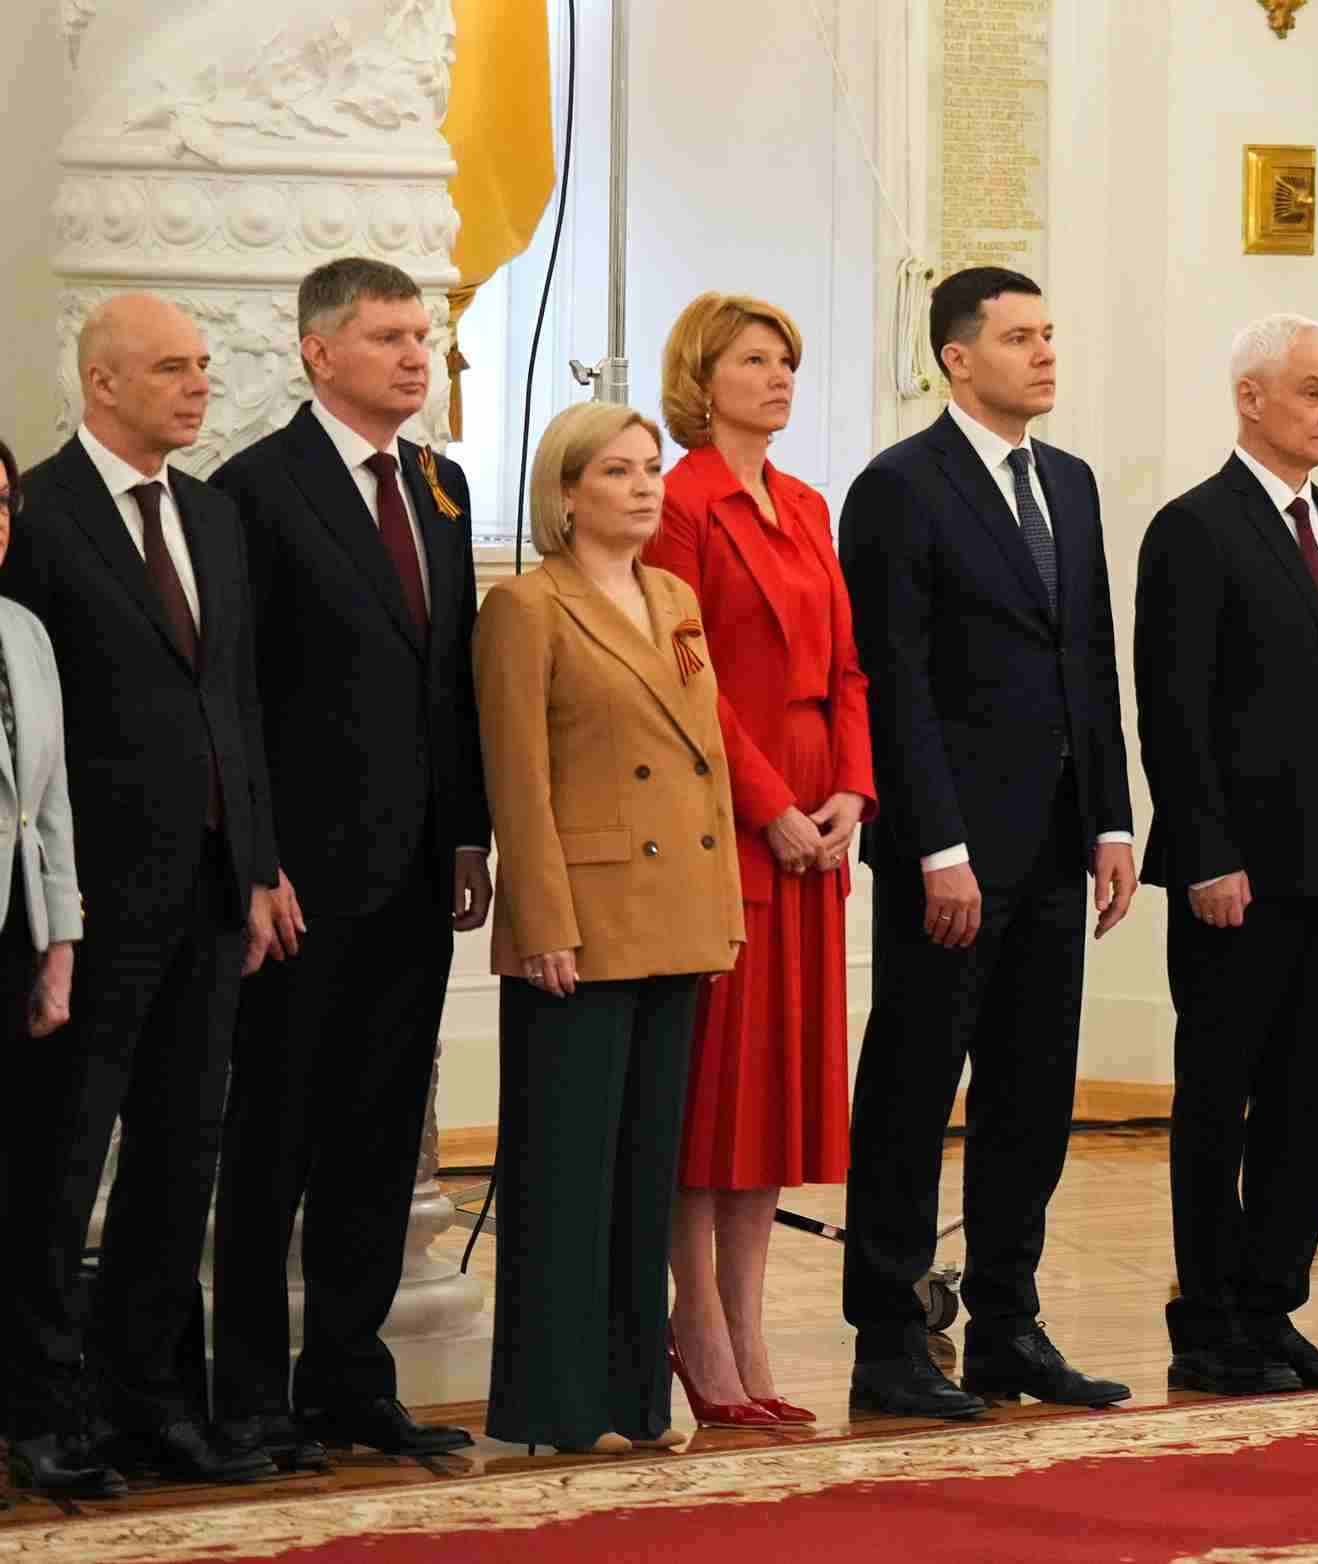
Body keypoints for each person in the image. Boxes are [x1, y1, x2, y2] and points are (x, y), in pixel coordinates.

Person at [204, 258, 491, 1470]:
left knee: (382, 1133)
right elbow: (234, 696)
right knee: (275, 1137)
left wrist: (469, 830)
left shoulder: (440, 485)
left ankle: (349, 1377)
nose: (416, 356)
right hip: (300, 883)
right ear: (318, 352)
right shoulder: (252, 490)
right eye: (387, 337)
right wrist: (256, 861)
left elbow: (452, 675)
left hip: (417, 871)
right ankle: (248, 1394)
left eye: (422, 335)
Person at [837, 267, 1139, 1419]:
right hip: (951, 854)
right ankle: (889, 1340)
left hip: (1057, 845)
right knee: (914, 1092)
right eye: (1020, 338)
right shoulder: (900, 486)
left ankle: (1010, 1324)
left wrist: (1110, 818)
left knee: (1032, 1094)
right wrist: (936, 848)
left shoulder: (1070, 481)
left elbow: (1088, 660)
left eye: (1050, 333)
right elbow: (896, 679)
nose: (1045, 353)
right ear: (957, 358)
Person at [0, 293, 288, 1492]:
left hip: (212, 897)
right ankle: (37, 1411)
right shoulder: (41, 514)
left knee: (180, 1162)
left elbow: (237, 705)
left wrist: (258, 865)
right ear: (101, 382)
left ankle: (148, 1405)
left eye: (203, 365)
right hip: (89, 905)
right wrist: (52, 913)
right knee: (59, 1164)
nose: (198, 385)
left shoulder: (212, 514)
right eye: (171, 367)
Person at [473, 401, 744, 1455]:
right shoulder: (526, 607)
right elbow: (518, 781)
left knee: (643, 1173)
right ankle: (554, 1404)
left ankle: (634, 1400)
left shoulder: (673, 595)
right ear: (566, 492)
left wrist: (721, 910)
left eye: (651, 469)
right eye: (618, 471)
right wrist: (542, 918)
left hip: (675, 915)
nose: (644, 488)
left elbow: (705, 761)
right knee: (565, 1176)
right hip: (580, 925)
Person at [1135, 315, 1318, 1397]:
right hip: (1236, 874)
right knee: (1220, 1099)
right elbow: (1174, 709)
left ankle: (1273, 1307)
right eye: (1312, 391)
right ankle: (1208, 1322)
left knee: (1307, 1101)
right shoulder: (1195, 526)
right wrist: (1205, 853)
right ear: (1251, 398)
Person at [640, 292, 874, 1429]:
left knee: (776, 1094)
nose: (780, 376)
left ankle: (750, 1324)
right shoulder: (680, 502)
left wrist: (851, 793)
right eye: (753, 359)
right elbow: (686, 678)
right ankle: (697, 1323)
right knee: (714, 1093)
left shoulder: (809, 503)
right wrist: (771, 803)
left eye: (787, 359)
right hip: (725, 819)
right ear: (703, 377)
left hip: (816, 825)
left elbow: (850, 668)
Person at [0, 438, 93, 1495]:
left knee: (29, 1188)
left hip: (19, 941)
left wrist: (60, 944)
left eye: (1, 502)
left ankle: (32, 1418)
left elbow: (50, 801)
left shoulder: (23, 629)